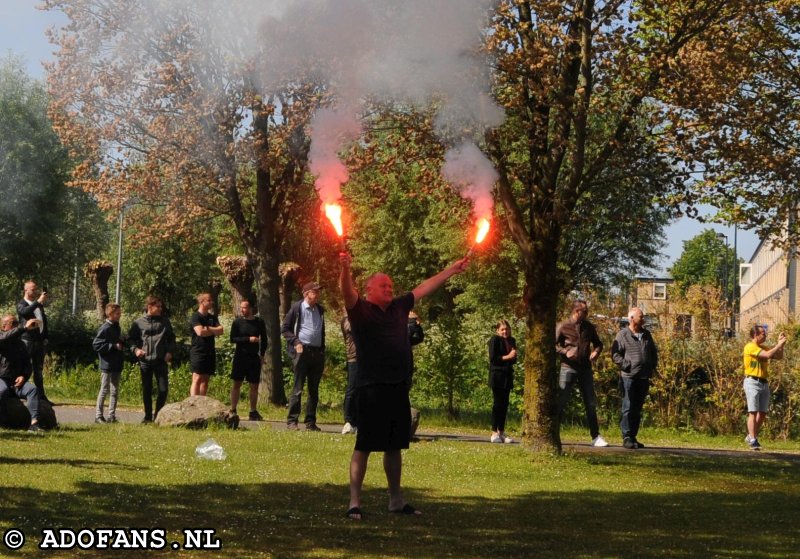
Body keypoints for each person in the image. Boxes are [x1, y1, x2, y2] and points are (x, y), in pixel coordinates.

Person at [339, 251, 468, 520]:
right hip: (370, 387)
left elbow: (424, 288)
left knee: (394, 446)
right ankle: (354, 503)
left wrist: (451, 270)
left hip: (397, 387)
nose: (389, 289)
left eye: (390, 285)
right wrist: (345, 268)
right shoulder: (360, 310)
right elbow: (346, 292)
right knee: (363, 445)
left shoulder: (399, 307)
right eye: (383, 285)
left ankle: (395, 500)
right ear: (369, 289)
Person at [555, 300, 608, 447]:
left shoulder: (589, 327)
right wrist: (566, 352)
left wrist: (596, 352)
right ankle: (554, 433)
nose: (587, 314)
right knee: (561, 401)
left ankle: (595, 436)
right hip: (568, 367)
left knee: (590, 403)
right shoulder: (563, 326)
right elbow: (553, 345)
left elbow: (598, 343)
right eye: (584, 311)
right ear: (576, 311)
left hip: (585, 369)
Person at [611, 307, 658, 449]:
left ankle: (633, 436)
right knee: (628, 407)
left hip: (643, 377)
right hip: (629, 377)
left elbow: (653, 352)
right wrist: (626, 365)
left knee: (637, 408)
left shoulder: (646, 334)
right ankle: (626, 436)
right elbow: (615, 354)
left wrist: (652, 366)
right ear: (632, 318)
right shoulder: (622, 335)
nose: (643, 319)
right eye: (641, 317)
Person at [281, 281, 326, 432]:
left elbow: (321, 331)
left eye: (318, 292)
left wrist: (322, 349)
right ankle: (292, 421)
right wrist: (295, 342)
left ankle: (310, 422)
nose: (318, 294)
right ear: (307, 294)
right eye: (315, 292)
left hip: (317, 352)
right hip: (302, 351)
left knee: (314, 389)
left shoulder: (320, 310)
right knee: (298, 387)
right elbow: (285, 329)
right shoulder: (297, 308)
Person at [128, 295, 175, 423]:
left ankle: (158, 416)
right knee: (147, 390)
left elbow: (172, 339)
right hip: (145, 361)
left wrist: (170, 352)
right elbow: (131, 339)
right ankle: (148, 416)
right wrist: (136, 350)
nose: (160, 309)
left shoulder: (165, 322)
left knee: (163, 390)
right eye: (158, 306)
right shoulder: (138, 322)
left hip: (160, 360)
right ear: (150, 307)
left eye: (161, 306)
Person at [742, 324, 786, 451]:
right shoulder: (750, 347)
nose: (765, 335)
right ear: (755, 335)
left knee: (762, 413)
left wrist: (781, 345)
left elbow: (778, 356)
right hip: (752, 381)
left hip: (764, 382)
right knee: (753, 411)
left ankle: (751, 435)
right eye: (763, 333)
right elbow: (766, 355)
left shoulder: (763, 347)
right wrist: (777, 345)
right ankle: (753, 440)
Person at [0, 315, 43, 432]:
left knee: (33, 389)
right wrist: (23, 327)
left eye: (17, 323)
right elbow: (4, 338)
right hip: (2, 379)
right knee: (1, 391)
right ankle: (3, 423)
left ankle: (34, 424)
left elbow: (27, 365)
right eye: (13, 323)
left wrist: (23, 376)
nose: (16, 325)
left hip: (17, 382)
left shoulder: (21, 344)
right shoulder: (1, 338)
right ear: (4, 326)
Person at [229, 299, 267, 421]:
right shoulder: (237, 322)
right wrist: (248, 339)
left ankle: (253, 411)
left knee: (254, 385)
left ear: (251, 309)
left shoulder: (259, 322)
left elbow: (265, 340)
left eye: (244, 307)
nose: (242, 310)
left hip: (253, 357)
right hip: (240, 356)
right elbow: (233, 339)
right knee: (236, 383)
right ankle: (233, 409)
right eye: (241, 307)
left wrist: (262, 355)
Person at [16, 280, 51, 403]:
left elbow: (43, 320)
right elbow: (24, 312)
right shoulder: (21, 303)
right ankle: (17, 393)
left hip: (39, 342)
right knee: (22, 368)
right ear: (25, 290)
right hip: (27, 341)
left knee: (38, 370)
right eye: (32, 289)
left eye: (36, 289)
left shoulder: (38, 305)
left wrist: (45, 336)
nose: (35, 291)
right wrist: (38, 302)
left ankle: (41, 397)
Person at [92, 303, 124, 424]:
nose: (119, 315)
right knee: (104, 389)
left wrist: (121, 341)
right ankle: (98, 416)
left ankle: (111, 415)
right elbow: (96, 344)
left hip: (117, 363)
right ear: (110, 314)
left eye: (120, 313)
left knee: (115, 390)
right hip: (107, 364)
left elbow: (116, 341)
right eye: (117, 314)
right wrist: (113, 346)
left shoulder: (117, 326)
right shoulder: (105, 328)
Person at [189, 292, 223, 397]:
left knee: (205, 380)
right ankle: (193, 404)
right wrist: (213, 330)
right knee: (197, 378)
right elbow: (200, 332)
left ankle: (203, 404)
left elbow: (221, 330)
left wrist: (207, 328)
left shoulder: (213, 317)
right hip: (198, 351)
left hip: (210, 351)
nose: (211, 302)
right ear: (201, 302)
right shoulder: (195, 317)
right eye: (208, 300)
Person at [488, 319, 516, 444]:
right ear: (498, 331)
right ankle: (494, 432)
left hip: (507, 376)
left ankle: (501, 431)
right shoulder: (494, 340)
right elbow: (493, 359)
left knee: (505, 405)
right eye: (502, 329)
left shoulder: (512, 341)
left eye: (507, 329)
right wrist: (508, 357)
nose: (505, 331)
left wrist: (513, 356)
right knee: (497, 404)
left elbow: (513, 359)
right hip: (497, 376)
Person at [340, 316, 358, 435]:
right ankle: (348, 421)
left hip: (367, 358)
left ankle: (358, 422)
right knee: (352, 389)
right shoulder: (347, 320)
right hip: (354, 358)